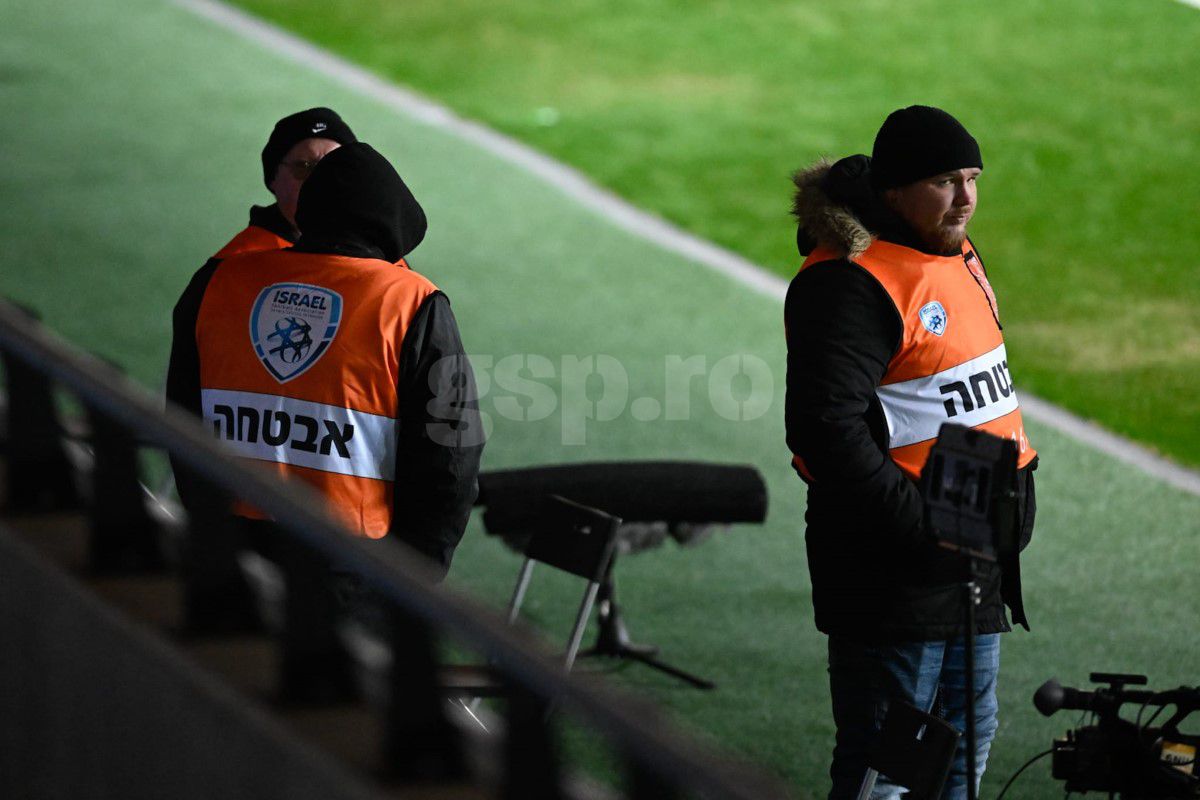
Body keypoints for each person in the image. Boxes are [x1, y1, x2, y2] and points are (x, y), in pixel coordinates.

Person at [784, 106, 1038, 799]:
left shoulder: (956, 251)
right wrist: (922, 525)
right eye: (944, 181)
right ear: (894, 190)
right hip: (894, 572)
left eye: (972, 179)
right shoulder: (847, 282)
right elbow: (823, 433)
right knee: (886, 768)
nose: (964, 198)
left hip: (974, 563)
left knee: (964, 754)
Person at [168, 141, 483, 578]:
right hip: (353, 568)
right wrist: (419, 575)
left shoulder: (218, 281)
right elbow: (450, 458)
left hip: (223, 550)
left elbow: (181, 416)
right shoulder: (411, 302)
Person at [214, 107, 359, 259]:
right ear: (274, 177)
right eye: (304, 167)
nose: (321, 181)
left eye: (335, 167)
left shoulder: (373, 247)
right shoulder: (237, 264)